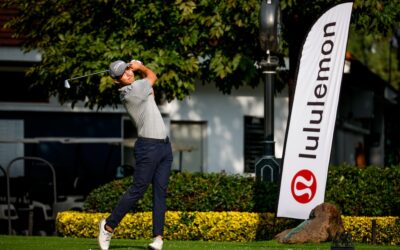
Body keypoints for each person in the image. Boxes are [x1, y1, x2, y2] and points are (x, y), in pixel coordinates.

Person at [97, 59, 173, 250]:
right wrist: (141, 67)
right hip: (148, 147)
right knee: (138, 190)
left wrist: (137, 70)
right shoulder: (132, 92)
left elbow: (152, 94)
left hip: (164, 146)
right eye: (123, 73)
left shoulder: (139, 88)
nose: (128, 74)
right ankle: (108, 227)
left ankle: (158, 239)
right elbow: (152, 76)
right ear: (116, 81)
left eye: (128, 69)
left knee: (160, 193)